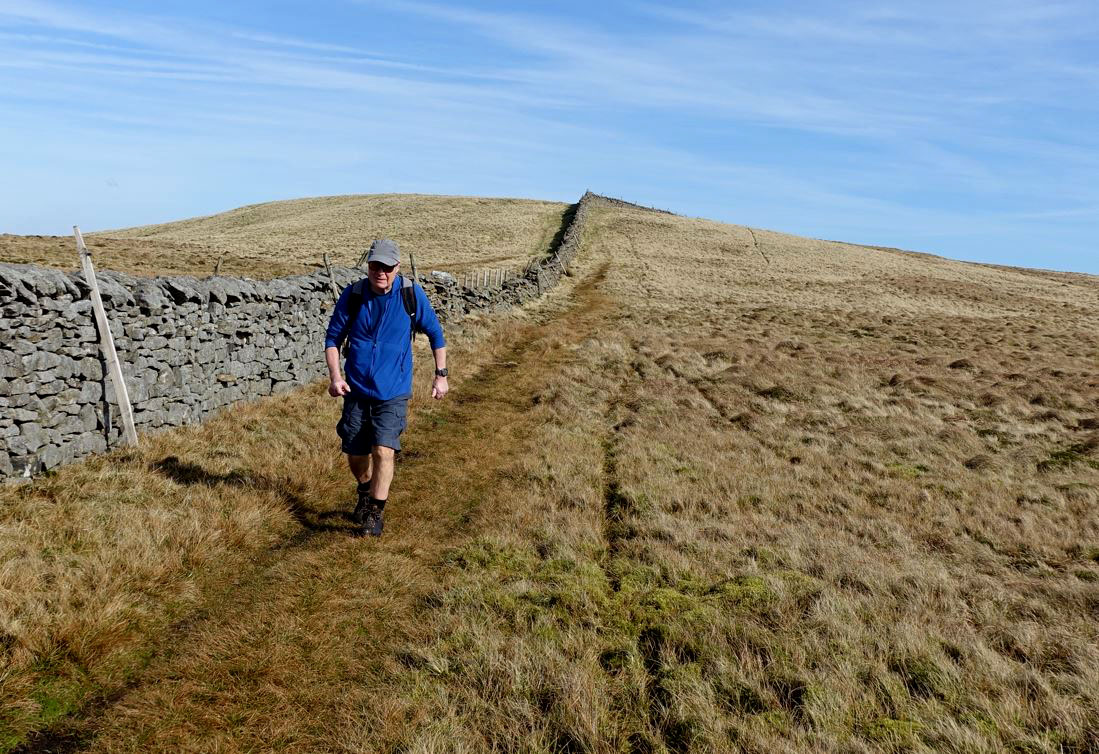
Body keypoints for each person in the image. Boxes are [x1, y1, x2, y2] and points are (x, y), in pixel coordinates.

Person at [324, 239, 448, 536]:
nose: (380, 272)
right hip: (356, 389)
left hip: (393, 390)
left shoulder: (410, 295)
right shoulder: (354, 295)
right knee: (356, 452)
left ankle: (374, 513)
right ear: (368, 265)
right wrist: (335, 377)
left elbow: (436, 334)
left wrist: (441, 375)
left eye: (387, 267)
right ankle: (365, 489)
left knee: (383, 449)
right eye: (375, 266)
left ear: (398, 267)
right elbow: (333, 339)